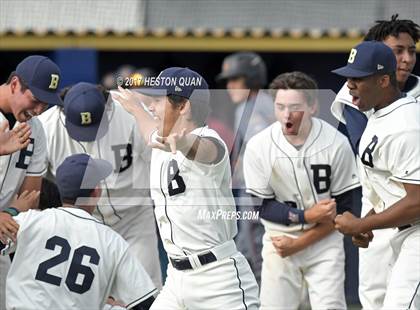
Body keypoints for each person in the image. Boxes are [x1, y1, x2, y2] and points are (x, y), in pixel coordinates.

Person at [113, 67, 260, 309]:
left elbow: (206, 150)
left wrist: (183, 143)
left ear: (183, 106)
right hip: (176, 277)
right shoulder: (161, 139)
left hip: (218, 279)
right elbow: (148, 128)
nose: (152, 106)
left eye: (158, 101)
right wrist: (136, 107)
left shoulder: (210, 139)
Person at [243, 71, 359, 309]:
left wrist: (301, 240)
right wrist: (305, 216)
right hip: (279, 241)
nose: (287, 114)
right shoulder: (258, 146)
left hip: (325, 241)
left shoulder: (336, 143)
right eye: (280, 106)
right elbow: (262, 206)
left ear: (313, 106)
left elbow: (344, 210)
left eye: (295, 106)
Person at [330, 15, 420, 309]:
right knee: (376, 301)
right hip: (383, 213)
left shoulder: (405, 117)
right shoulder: (368, 105)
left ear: (382, 78)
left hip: (408, 219)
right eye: (398, 51)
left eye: (411, 51)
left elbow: (416, 199)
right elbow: (377, 167)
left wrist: (362, 223)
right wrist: (366, 221)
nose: (405, 59)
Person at [38, 82, 162, 289]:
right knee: (84, 295)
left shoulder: (129, 111)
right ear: (63, 111)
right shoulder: (45, 127)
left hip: (134, 220)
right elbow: (36, 186)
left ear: (107, 106)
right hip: (79, 226)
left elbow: (157, 158)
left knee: (147, 290)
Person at [0, 153, 157, 309]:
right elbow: (144, 304)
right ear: (96, 192)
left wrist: (13, 211)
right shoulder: (112, 242)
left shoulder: (31, 221)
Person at [0, 55, 62, 310]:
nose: (38, 110)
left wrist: (9, 212)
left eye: (45, 105)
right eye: (35, 100)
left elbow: (31, 196)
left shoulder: (36, 131)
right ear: (15, 84)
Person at [216, 52, 275, 282]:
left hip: (257, 192)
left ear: (250, 79)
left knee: (254, 255)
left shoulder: (253, 106)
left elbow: (262, 150)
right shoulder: (262, 102)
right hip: (261, 191)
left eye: (235, 80)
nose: (229, 86)